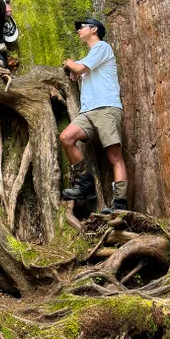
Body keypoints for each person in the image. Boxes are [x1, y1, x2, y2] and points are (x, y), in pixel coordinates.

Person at [59, 18, 128, 213]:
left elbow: (78, 68)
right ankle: (86, 185)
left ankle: (120, 204)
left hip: (106, 108)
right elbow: (78, 69)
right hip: (87, 111)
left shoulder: (102, 47)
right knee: (66, 137)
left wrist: (70, 64)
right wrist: (73, 68)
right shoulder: (91, 56)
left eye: (82, 27)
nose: (79, 30)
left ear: (94, 29)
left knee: (114, 156)